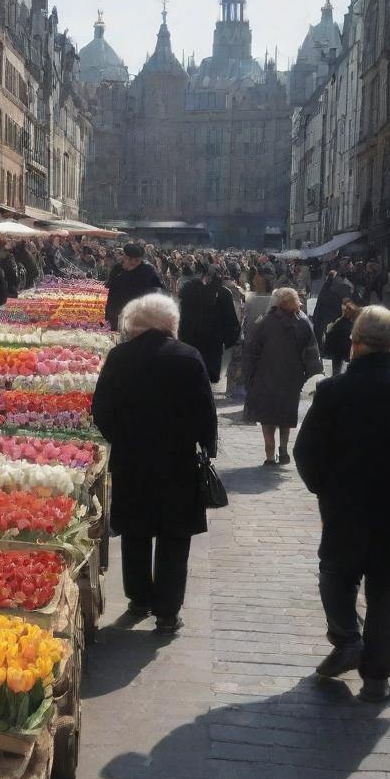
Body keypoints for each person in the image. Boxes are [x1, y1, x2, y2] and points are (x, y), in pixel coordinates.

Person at [294, 306, 390, 702]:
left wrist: (325, 489)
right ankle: (377, 679)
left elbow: (306, 453)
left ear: (354, 344)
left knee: (336, 575)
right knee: (389, 595)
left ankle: (347, 638)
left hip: (346, 508)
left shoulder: (334, 391)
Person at [92, 293, 218, 634]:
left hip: (133, 459)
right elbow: (205, 412)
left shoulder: (120, 357)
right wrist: (206, 445)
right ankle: (167, 610)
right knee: (174, 536)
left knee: (135, 531)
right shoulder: (188, 357)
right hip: (177, 462)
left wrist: (121, 436)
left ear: (134, 323)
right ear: (169, 323)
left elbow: (100, 409)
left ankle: (138, 598)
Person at [242, 287, 322, 466]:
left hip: (265, 376)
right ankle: (283, 450)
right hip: (292, 378)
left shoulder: (264, 322)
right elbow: (312, 352)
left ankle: (270, 454)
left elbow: (252, 351)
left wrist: (249, 377)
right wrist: (312, 376)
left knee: (267, 417)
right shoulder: (303, 322)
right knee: (285, 415)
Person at [177, 264, 241, 383]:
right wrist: (231, 339)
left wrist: (181, 334)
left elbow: (183, 314)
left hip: (191, 338)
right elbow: (230, 319)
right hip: (213, 341)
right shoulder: (224, 292)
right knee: (208, 376)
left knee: (191, 375)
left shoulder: (189, 289)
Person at [105, 244, 165, 330]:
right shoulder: (117, 269)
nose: (133, 262)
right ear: (124, 257)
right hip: (118, 313)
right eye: (130, 259)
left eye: (136, 260)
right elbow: (111, 293)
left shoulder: (148, 270)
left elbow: (159, 291)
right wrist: (108, 316)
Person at [311, 267, 354, 352]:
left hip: (323, 323)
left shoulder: (325, 289)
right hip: (337, 322)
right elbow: (348, 304)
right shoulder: (344, 288)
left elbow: (318, 308)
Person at [322, 299, 360, 376]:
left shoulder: (336, 323)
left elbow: (328, 343)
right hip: (347, 358)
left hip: (336, 357)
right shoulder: (355, 326)